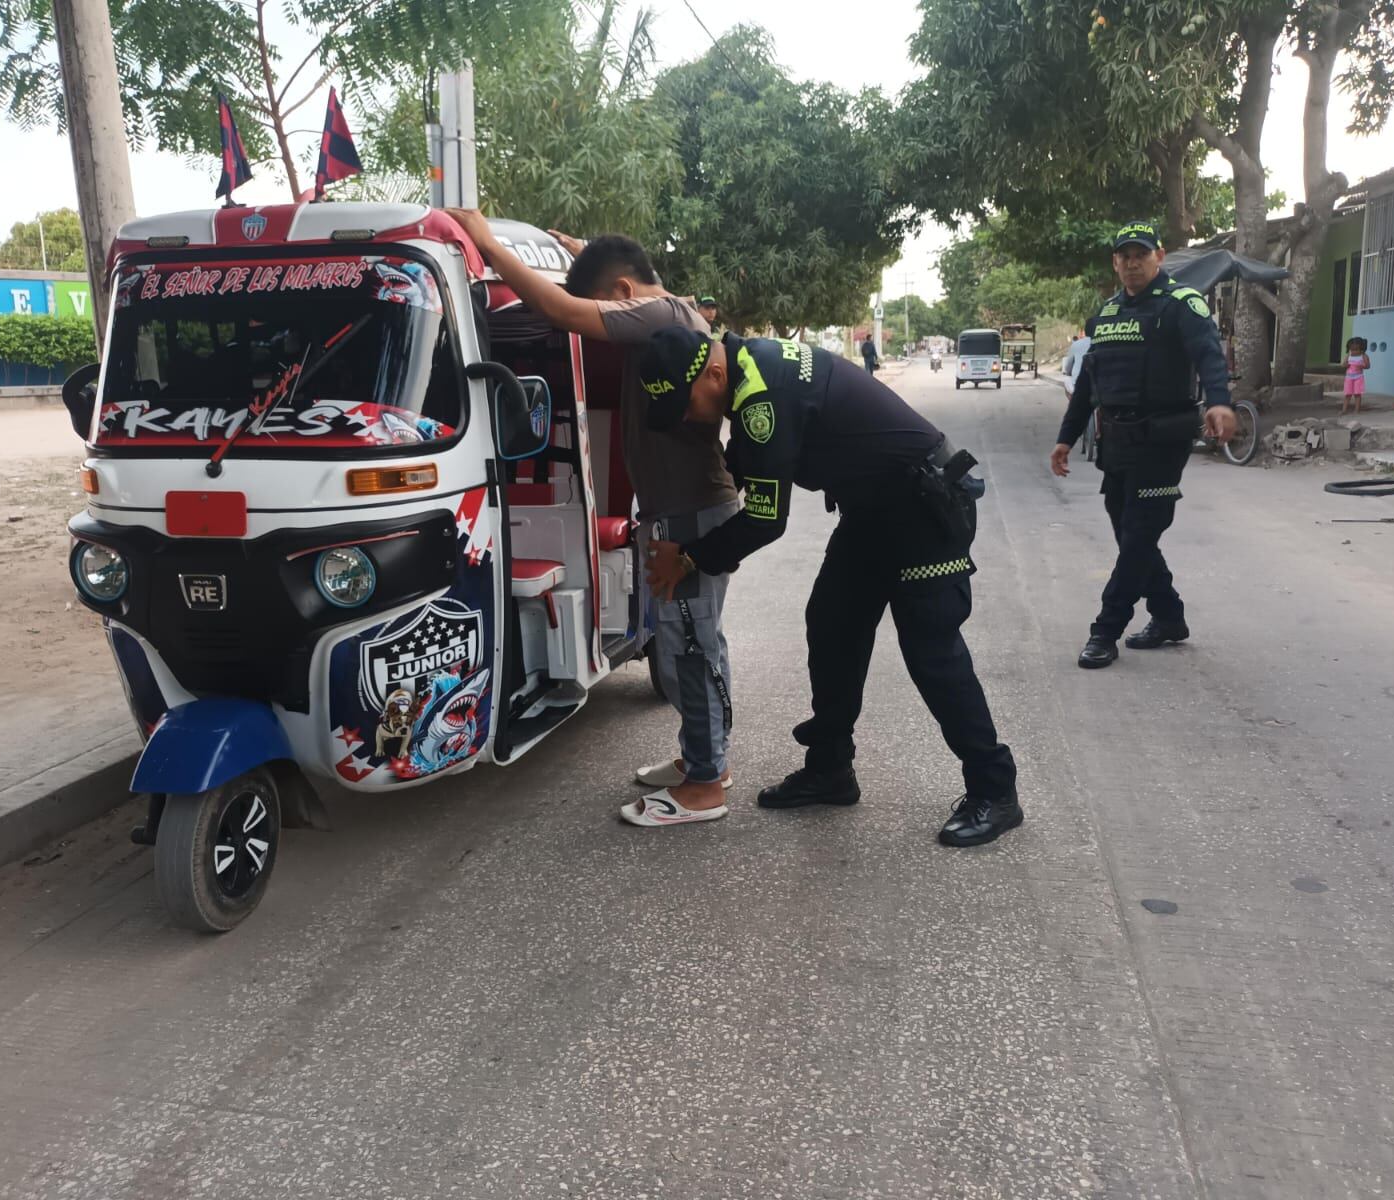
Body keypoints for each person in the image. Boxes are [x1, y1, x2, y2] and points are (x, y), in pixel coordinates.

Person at [639, 326, 1022, 847]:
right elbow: (754, 462)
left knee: (932, 650)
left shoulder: (760, 398)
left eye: (686, 405)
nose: (688, 418)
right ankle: (830, 770)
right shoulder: (750, 366)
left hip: (923, 510)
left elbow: (764, 520)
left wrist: (688, 559)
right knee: (832, 624)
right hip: (872, 510)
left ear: (712, 372)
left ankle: (995, 790)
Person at [447, 211, 738, 827]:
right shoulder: (675, 307)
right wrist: (576, 249)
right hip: (681, 508)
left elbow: (564, 312)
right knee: (691, 638)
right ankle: (700, 761)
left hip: (692, 510)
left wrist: (488, 241)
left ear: (624, 295)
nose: (606, 324)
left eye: (607, 307)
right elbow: (618, 273)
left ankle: (706, 785)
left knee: (692, 644)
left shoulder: (660, 316)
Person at [1050, 221, 1236, 670]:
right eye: (1124, 256)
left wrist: (1220, 403)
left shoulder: (1180, 305)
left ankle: (1104, 630)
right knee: (1128, 533)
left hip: (1162, 439)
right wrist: (1065, 438)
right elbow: (1089, 384)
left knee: (1138, 536)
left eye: (1141, 254)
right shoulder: (1108, 314)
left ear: (1159, 255)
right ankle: (1169, 616)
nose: (1132, 262)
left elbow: (1208, 354)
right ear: (1115, 263)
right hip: (1117, 439)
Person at [1341, 337, 1370, 415]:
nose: (1354, 352)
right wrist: (1346, 365)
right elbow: (1343, 364)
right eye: (1352, 350)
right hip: (1349, 378)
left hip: (1358, 377)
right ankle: (1344, 410)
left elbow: (1368, 366)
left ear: (1361, 349)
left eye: (1356, 350)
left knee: (1357, 394)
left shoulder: (1363, 356)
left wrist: (1362, 366)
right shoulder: (1349, 355)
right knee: (1347, 394)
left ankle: (1357, 410)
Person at [1059, 331, 1092, 397]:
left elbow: (1068, 366)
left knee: (1067, 380)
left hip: (1078, 381)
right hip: (1099, 382)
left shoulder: (1075, 344)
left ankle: (1073, 402)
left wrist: (1067, 372)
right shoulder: (1102, 344)